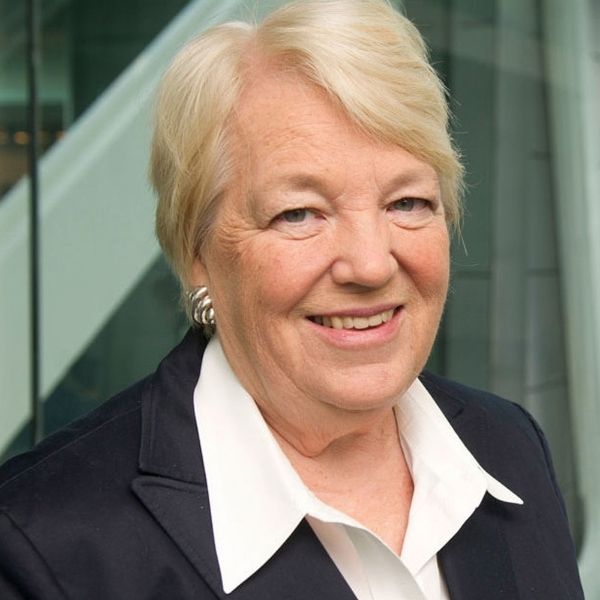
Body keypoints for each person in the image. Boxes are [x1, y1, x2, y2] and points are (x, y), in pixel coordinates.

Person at [0, 1, 584, 598]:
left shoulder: (508, 446)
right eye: (299, 213)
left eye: (406, 203)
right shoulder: (40, 546)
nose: (370, 264)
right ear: (198, 250)